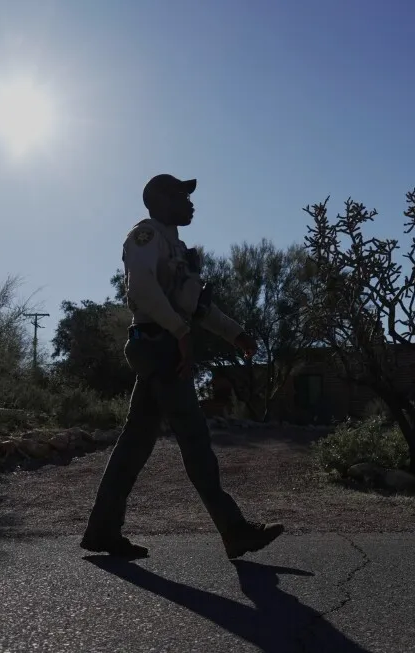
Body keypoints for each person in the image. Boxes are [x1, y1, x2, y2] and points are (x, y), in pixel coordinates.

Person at [80, 173, 285, 560]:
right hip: (158, 346)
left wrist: (235, 334)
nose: (191, 203)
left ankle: (103, 530)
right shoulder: (146, 236)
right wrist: (180, 333)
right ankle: (234, 530)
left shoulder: (177, 248)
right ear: (159, 201)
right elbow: (141, 287)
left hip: (163, 347)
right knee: (194, 441)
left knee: (134, 445)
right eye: (181, 196)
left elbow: (197, 306)